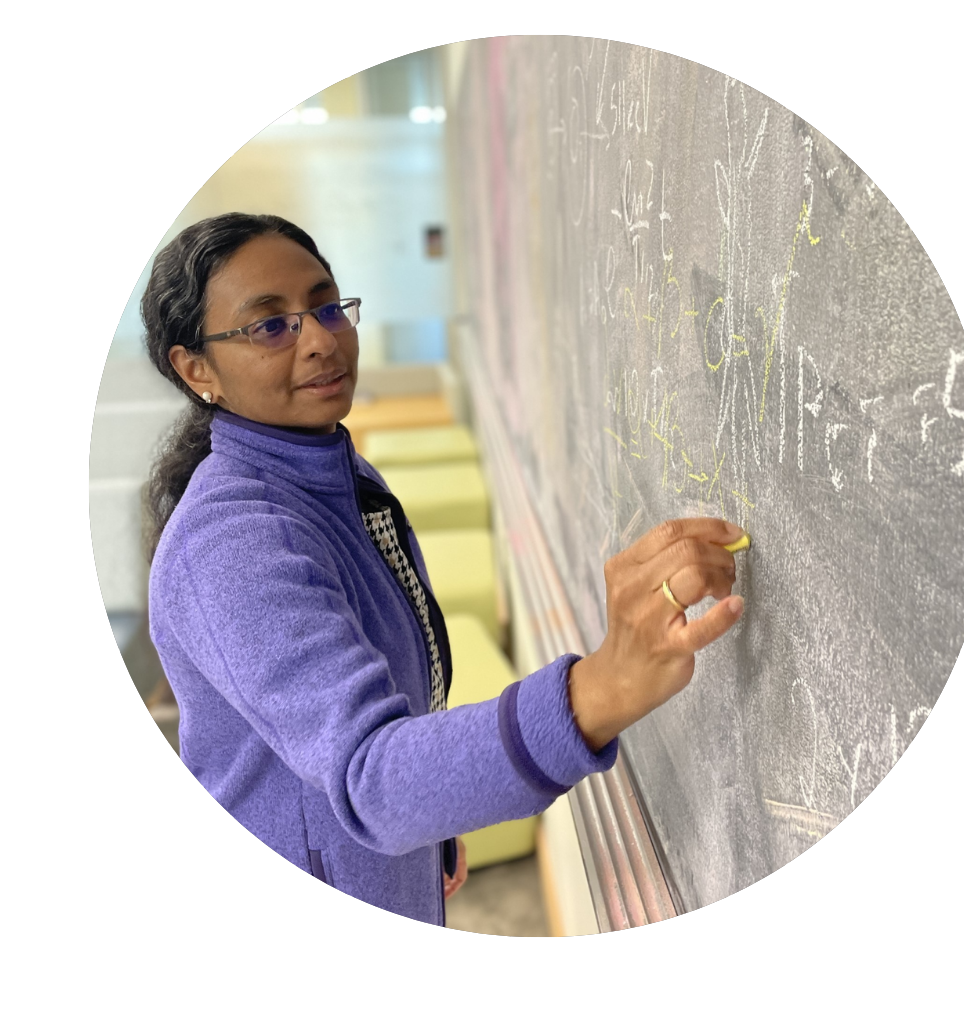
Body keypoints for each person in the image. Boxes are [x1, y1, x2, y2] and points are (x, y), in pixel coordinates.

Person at [142, 212, 746, 926]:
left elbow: (375, 702)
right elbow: (371, 778)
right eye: (270, 326)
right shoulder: (230, 543)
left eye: (327, 306)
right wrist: (602, 688)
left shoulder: (332, 471)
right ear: (197, 369)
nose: (322, 340)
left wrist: (434, 819)